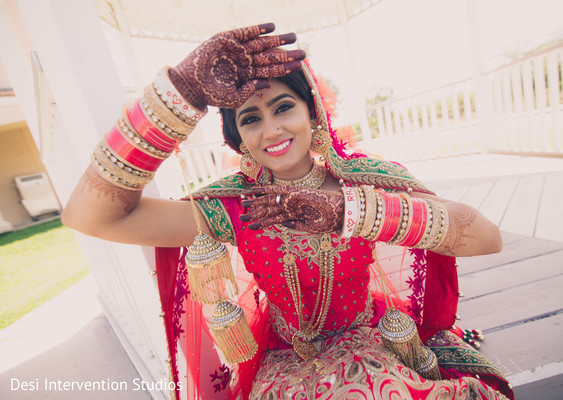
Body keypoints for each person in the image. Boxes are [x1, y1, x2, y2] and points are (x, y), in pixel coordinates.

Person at [62, 23, 513, 400]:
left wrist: (344, 212)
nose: (272, 129)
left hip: (374, 339)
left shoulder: (362, 181)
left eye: (283, 107)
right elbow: (91, 217)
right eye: (250, 118)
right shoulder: (235, 207)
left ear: (312, 113)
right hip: (289, 364)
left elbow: (486, 238)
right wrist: (178, 93)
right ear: (237, 139)